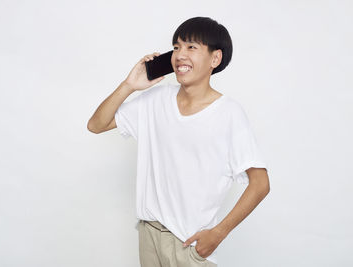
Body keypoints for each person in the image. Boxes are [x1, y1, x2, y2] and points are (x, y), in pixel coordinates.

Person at [88, 16, 270, 267]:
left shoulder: (229, 113)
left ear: (214, 59)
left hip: (190, 246)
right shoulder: (154, 100)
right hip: (149, 235)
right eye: (176, 47)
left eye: (191, 47)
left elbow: (260, 183)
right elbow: (96, 125)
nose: (180, 55)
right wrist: (129, 85)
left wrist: (218, 233)